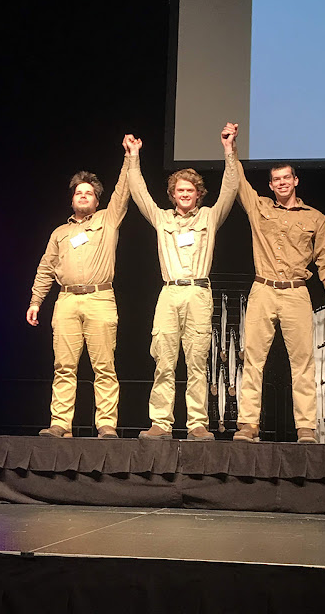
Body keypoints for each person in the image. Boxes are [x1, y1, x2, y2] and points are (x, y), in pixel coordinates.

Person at [126, 123, 239, 440]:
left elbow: (230, 188)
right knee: (163, 359)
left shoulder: (209, 217)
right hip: (169, 293)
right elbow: (139, 193)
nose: (185, 194)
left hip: (199, 292)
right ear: (173, 194)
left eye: (190, 190)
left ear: (199, 194)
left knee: (197, 361)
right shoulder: (162, 218)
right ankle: (160, 423)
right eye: (180, 190)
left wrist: (229, 151)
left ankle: (197, 424)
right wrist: (134, 157)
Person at [26, 136, 133, 439]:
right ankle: (60, 424)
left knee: (104, 367)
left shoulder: (107, 220)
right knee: (63, 366)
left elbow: (123, 191)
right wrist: (36, 301)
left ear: (97, 201)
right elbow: (46, 268)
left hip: (100, 298)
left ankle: (107, 425)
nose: (83, 196)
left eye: (89, 193)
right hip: (66, 301)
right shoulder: (60, 232)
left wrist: (128, 158)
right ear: (72, 199)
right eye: (79, 192)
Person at [234, 148, 325, 444]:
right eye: (275, 179)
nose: (281, 183)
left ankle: (306, 428)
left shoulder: (315, 218)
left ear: (295, 181)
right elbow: (240, 182)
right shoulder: (260, 207)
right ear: (270, 185)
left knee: (303, 362)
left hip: (296, 292)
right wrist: (231, 150)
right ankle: (248, 425)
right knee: (253, 358)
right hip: (263, 289)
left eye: (286, 178)